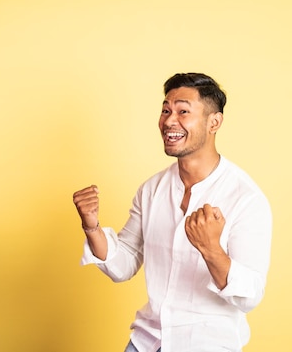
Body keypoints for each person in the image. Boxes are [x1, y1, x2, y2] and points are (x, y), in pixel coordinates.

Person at [72, 73, 272, 352]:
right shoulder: (151, 189)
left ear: (214, 122)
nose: (168, 121)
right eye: (166, 110)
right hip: (146, 342)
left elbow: (250, 296)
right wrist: (92, 227)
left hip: (207, 346)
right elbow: (124, 264)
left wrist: (211, 249)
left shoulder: (245, 198)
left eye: (183, 111)